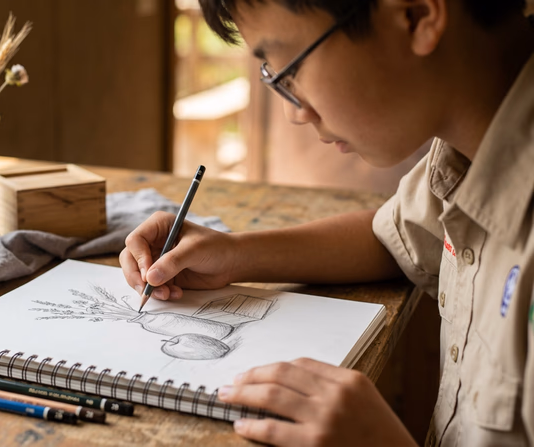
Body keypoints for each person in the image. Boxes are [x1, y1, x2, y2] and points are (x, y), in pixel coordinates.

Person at [120, 0, 534, 445]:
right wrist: (235, 254)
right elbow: (393, 236)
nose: (294, 111)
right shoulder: (466, 151)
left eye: (289, 69)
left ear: (415, 16)